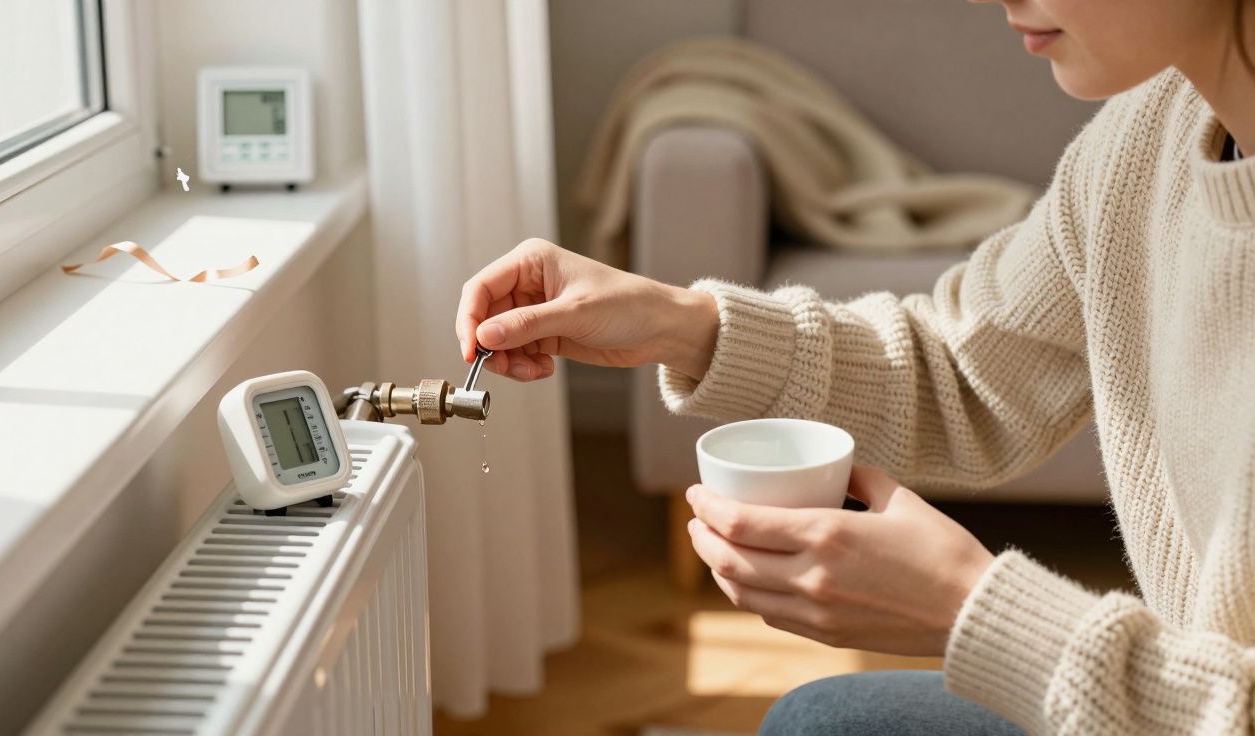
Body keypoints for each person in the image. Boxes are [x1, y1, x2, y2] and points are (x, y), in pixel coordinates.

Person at [456, 0, 1255, 732]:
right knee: (822, 721)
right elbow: (962, 370)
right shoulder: (1149, 134)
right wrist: (680, 323)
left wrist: (973, 611)